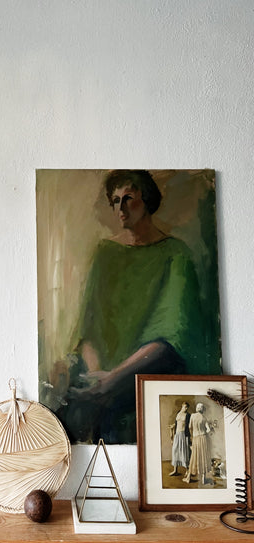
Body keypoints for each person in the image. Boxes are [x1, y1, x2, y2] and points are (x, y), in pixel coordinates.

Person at [57, 170, 221, 444]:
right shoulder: (105, 254)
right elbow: (88, 328)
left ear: (147, 201)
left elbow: (171, 335)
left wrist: (113, 380)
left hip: (148, 375)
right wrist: (97, 378)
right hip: (101, 380)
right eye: (115, 201)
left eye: (128, 198)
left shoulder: (176, 254)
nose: (120, 208)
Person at [183, 403, 213, 485]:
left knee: (194, 456)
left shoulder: (193, 416)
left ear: (197, 408)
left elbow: (190, 427)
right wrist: (205, 432)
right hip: (203, 438)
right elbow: (208, 430)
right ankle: (204, 479)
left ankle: (188, 477)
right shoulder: (204, 418)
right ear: (202, 409)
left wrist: (192, 435)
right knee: (203, 456)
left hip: (196, 438)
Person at [169, 402, 191, 476]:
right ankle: (175, 470)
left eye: (187, 407)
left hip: (183, 434)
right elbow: (177, 423)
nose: (186, 408)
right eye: (185, 407)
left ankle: (187, 470)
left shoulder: (188, 415)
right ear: (182, 406)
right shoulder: (178, 413)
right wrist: (173, 426)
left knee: (184, 452)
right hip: (177, 434)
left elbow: (189, 425)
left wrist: (190, 436)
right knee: (175, 451)